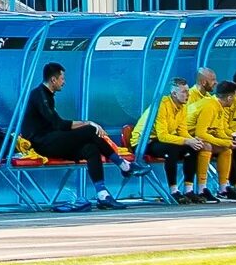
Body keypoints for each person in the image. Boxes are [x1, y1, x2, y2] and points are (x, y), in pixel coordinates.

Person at [19, 62, 120, 210]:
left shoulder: (49, 96)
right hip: (42, 143)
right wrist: (88, 123)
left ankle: (102, 195)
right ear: (53, 80)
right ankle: (123, 165)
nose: (64, 82)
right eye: (62, 79)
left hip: (52, 139)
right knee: (91, 130)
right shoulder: (39, 95)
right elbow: (58, 124)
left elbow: (56, 126)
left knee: (91, 149)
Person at [143, 79, 208, 202]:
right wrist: (187, 141)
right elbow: (162, 136)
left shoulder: (182, 106)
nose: (188, 95)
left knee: (192, 148)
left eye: (188, 91)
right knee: (171, 149)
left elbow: (182, 131)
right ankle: (174, 191)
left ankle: (189, 190)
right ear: (173, 94)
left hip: (160, 141)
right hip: (145, 142)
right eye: (184, 92)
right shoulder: (162, 105)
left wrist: (193, 140)